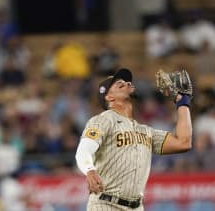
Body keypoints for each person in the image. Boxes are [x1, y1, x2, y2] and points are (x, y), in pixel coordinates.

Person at [75, 68, 192, 210]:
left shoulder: (145, 130)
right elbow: (84, 149)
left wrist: (182, 101)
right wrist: (89, 170)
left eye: (126, 81)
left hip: (136, 207)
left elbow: (183, 142)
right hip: (105, 204)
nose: (125, 82)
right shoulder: (104, 120)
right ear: (108, 97)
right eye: (119, 83)